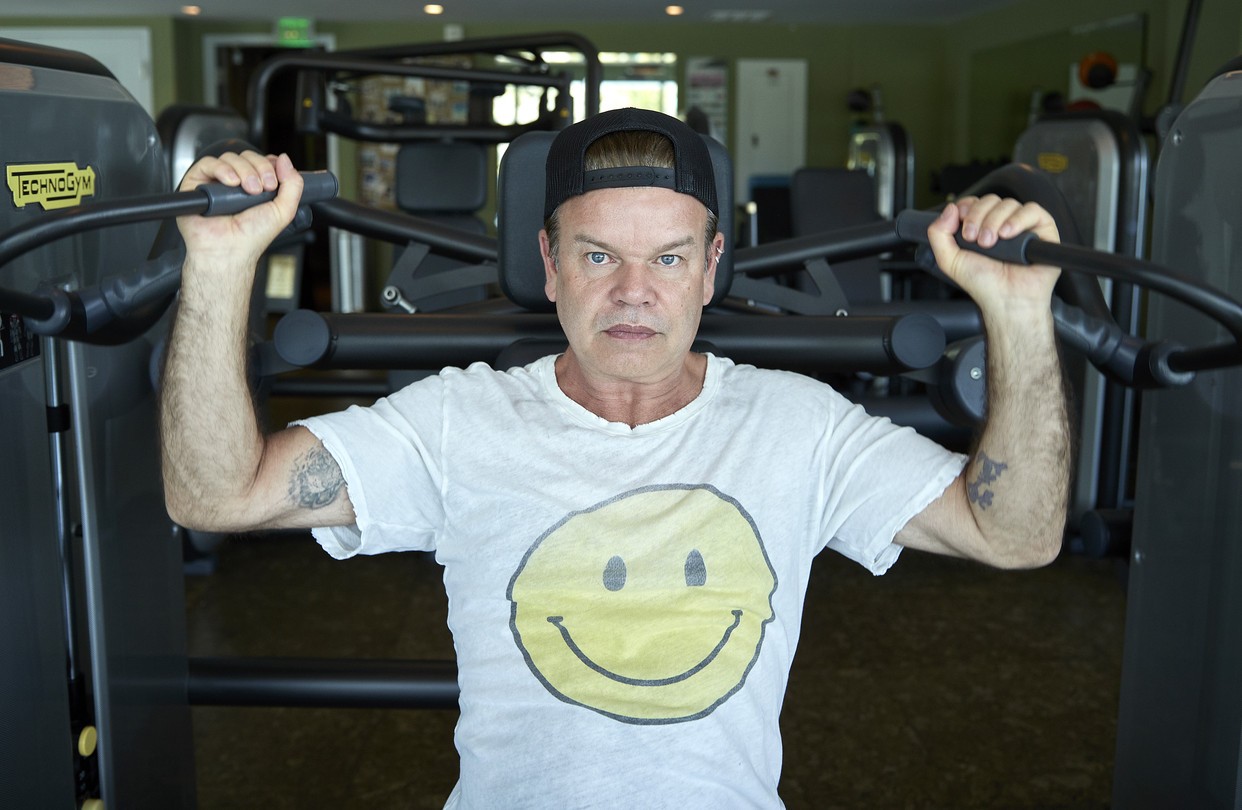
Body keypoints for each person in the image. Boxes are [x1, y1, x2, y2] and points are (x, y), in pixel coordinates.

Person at [162, 108, 1069, 807]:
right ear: (549, 262)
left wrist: (1020, 313)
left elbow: (1015, 535)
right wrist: (220, 264)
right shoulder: (457, 421)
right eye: (599, 256)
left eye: (668, 260)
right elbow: (217, 495)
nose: (634, 293)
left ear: (711, 267)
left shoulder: (798, 427)